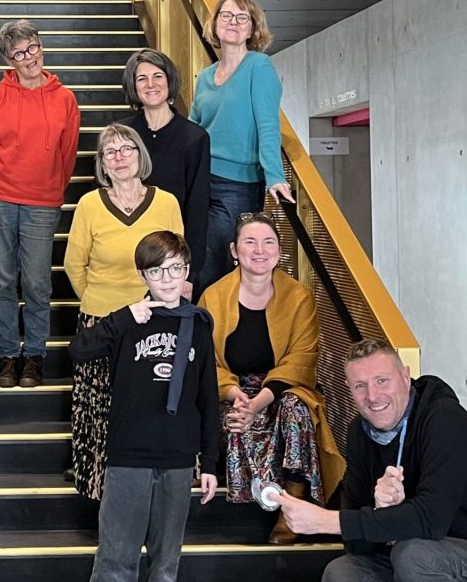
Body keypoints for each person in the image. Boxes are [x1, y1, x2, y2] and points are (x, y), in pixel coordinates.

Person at [276, 338, 467, 582]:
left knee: (414, 556)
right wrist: (379, 508)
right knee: (343, 571)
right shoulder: (359, 433)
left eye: (382, 381)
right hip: (431, 551)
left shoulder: (444, 420)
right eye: (360, 386)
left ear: (406, 377)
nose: (372, 396)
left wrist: (327, 521)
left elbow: (431, 519)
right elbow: (358, 547)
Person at [69, 230, 219, 582]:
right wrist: (123, 317)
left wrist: (210, 462)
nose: (166, 278)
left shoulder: (198, 325)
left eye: (175, 268)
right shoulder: (128, 321)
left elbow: (207, 397)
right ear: (142, 276)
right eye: (156, 270)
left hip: (178, 457)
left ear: (187, 271)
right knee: (116, 561)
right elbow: (79, 350)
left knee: (165, 565)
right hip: (129, 455)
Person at [197, 211, 344, 544]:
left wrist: (259, 401)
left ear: (279, 251)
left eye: (268, 242)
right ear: (234, 250)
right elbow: (206, 363)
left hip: (282, 390)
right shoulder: (213, 297)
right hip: (231, 391)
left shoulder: (299, 297)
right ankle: (254, 494)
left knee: (296, 410)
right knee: (235, 417)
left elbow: (301, 361)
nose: (259, 250)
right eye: (250, 242)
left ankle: (292, 503)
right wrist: (237, 396)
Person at [64, 123, 184, 500]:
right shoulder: (89, 204)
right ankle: (98, 487)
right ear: (102, 163)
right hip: (103, 323)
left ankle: (153, 486)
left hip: (156, 320)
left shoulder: (166, 202)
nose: (119, 158)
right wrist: (100, 301)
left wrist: (158, 302)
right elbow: (73, 265)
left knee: (149, 406)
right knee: (100, 409)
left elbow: (179, 261)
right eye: (110, 152)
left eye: (126, 149)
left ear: (139, 155)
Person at [0, 19, 80, 388]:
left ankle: (34, 355)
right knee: (2, 279)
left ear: (41, 46)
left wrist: (51, 189)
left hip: (42, 202)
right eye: (18, 53)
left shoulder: (65, 99)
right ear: (8, 59)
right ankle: (7, 354)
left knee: (36, 282)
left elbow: (68, 155)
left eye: (32, 47)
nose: (29, 57)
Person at [190, 0, 293, 288]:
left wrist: (275, 175)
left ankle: (211, 317)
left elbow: (268, 124)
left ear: (252, 29)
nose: (232, 22)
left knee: (216, 266)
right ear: (214, 24)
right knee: (194, 257)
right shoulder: (205, 76)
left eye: (241, 17)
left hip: (237, 185)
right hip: (201, 178)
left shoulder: (259, 67)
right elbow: (194, 128)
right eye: (226, 15)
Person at [118, 48, 211, 294]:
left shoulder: (195, 138)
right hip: (126, 252)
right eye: (142, 78)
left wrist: (191, 271)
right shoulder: (122, 134)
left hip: (172, 259)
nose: (151, 84)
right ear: (133, 86)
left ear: (170, 80)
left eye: (157, 76)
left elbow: (197, 208)